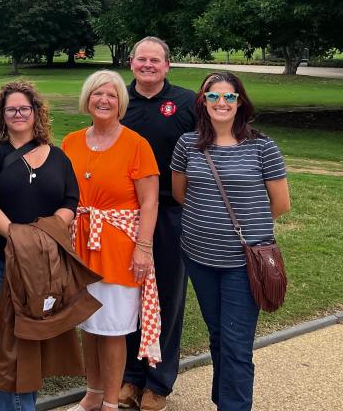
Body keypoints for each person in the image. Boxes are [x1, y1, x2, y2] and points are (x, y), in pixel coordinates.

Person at [171, 72, 291, 411]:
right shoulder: (187, 144)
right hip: (199, 257)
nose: (221, 103)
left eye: (229, 96)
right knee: (218, 335)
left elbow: (280, 204)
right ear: (203, 102)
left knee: (237, 343)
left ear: (240, 102)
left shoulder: (261, 146)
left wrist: (246, 228)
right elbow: (181, 193)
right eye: (213, 97)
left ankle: (234, 405)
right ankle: (224, 399)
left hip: (243, 262)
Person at [0, 80, 80, 410]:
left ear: (36, 112)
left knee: (31, 336)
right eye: (12, 110)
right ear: (2, 115)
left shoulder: (58, 156)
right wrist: (18, 236)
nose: (19, 114)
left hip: (40, 262)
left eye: (25, 108)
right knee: (0, 338)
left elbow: (70, 201)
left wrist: (42, 236)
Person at [62, 70, 160, 411]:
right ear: (87, 99)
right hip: (81, 245)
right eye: (97, 94)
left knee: (114, 328)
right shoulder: (71, 141)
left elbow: (149, 201)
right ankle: (92, 392)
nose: (104, 101)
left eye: (112, 95)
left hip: (119, 246)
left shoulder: (136, 144)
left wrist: (143, 248)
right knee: (89, 323)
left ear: (121, 102)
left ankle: (110, 402)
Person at [118, 37, 197, 411]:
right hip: (124, 213)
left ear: (167, 65)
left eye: (155, 60)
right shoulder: (118, 100)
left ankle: (159, 382)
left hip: (170, 212)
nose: (147, 65)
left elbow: (208, 148)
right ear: (131, 63)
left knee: (165, 297)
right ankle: (131, 377)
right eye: (141, 59)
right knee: (129, 295)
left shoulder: (186, 103)